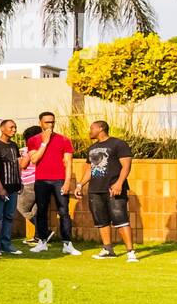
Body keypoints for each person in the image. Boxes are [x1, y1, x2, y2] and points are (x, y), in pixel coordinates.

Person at [78, 120, 137, 262]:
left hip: (113, 189)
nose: (89, 131)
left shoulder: (118, 144)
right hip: (95, 190)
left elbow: (126, 166)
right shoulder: (92, 148)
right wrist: (80, 185)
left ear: (101, 128)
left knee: (121, 220)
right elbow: (90, 169)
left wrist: (119, 184)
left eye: (92, 128)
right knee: (101, 221)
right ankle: (108, 250)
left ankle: (130, 252)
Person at [29, 111, 82, 255]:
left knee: (64, 212)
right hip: (41, 181)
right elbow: (34, 160)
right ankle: (42, 242)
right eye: (47, 122)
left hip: (59, 181)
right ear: (40, 123)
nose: (50, 125)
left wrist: (66, 183)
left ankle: (67, 244)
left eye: (52, 122)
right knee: (41, 211)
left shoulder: (64, 140)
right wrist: (44, 143)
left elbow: (69, 164)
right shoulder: (33, 140)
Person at [0, 120, 27, 256]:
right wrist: (0, 187)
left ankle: (6, 244)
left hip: (13, 187)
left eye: (15, 127)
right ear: (2, 128)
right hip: (0, 188)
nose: (14, 130)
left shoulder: (14, 145)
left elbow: (17, 164)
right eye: (11, 127)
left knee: (9, 216)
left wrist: (19, 181)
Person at [18, 126, 41, 244]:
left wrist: (20, 158)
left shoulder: (29, 150)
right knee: (35, 210)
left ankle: (43, 231)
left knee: (21, 208)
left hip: (29, 182)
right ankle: (38, 236)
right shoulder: (43, 148)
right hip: (40, 181)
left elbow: (23, 165)